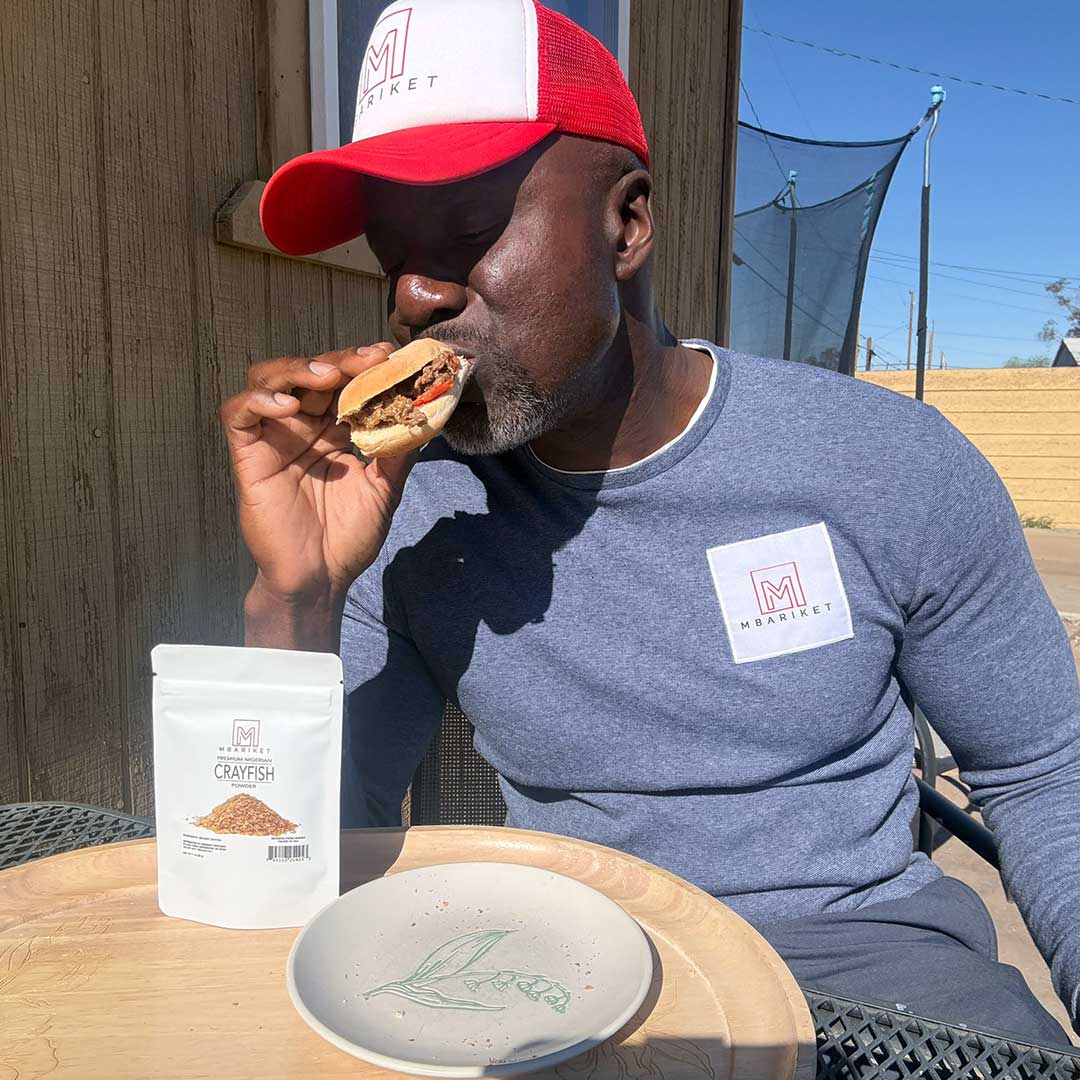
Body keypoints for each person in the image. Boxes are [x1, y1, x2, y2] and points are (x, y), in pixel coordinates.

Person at [222, 0, 1080, 1043]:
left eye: (469, 232)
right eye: (390, 254)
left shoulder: (885, 464)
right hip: (560, 980)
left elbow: (1045, 769)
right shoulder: (411, 504)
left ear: (626, 224)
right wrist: (298, 598)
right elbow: (295, 853)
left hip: (871, 977)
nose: (412, 297)